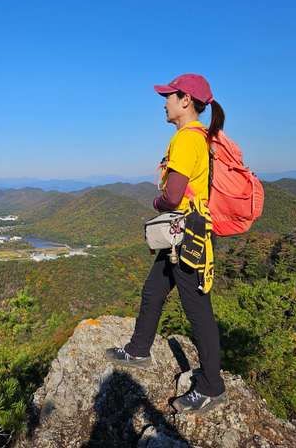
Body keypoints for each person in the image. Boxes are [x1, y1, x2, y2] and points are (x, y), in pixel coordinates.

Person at [105, 73, 227, 414]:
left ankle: (212, 387)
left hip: (187, 234)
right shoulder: (198, 137)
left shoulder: (187, 140)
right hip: (182, 232)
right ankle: (138, 349)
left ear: (185, 100)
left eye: (169, 96)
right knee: (153, 290)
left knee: (198, 311)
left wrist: (156, 202)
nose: (164, 103)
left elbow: (172, 197)